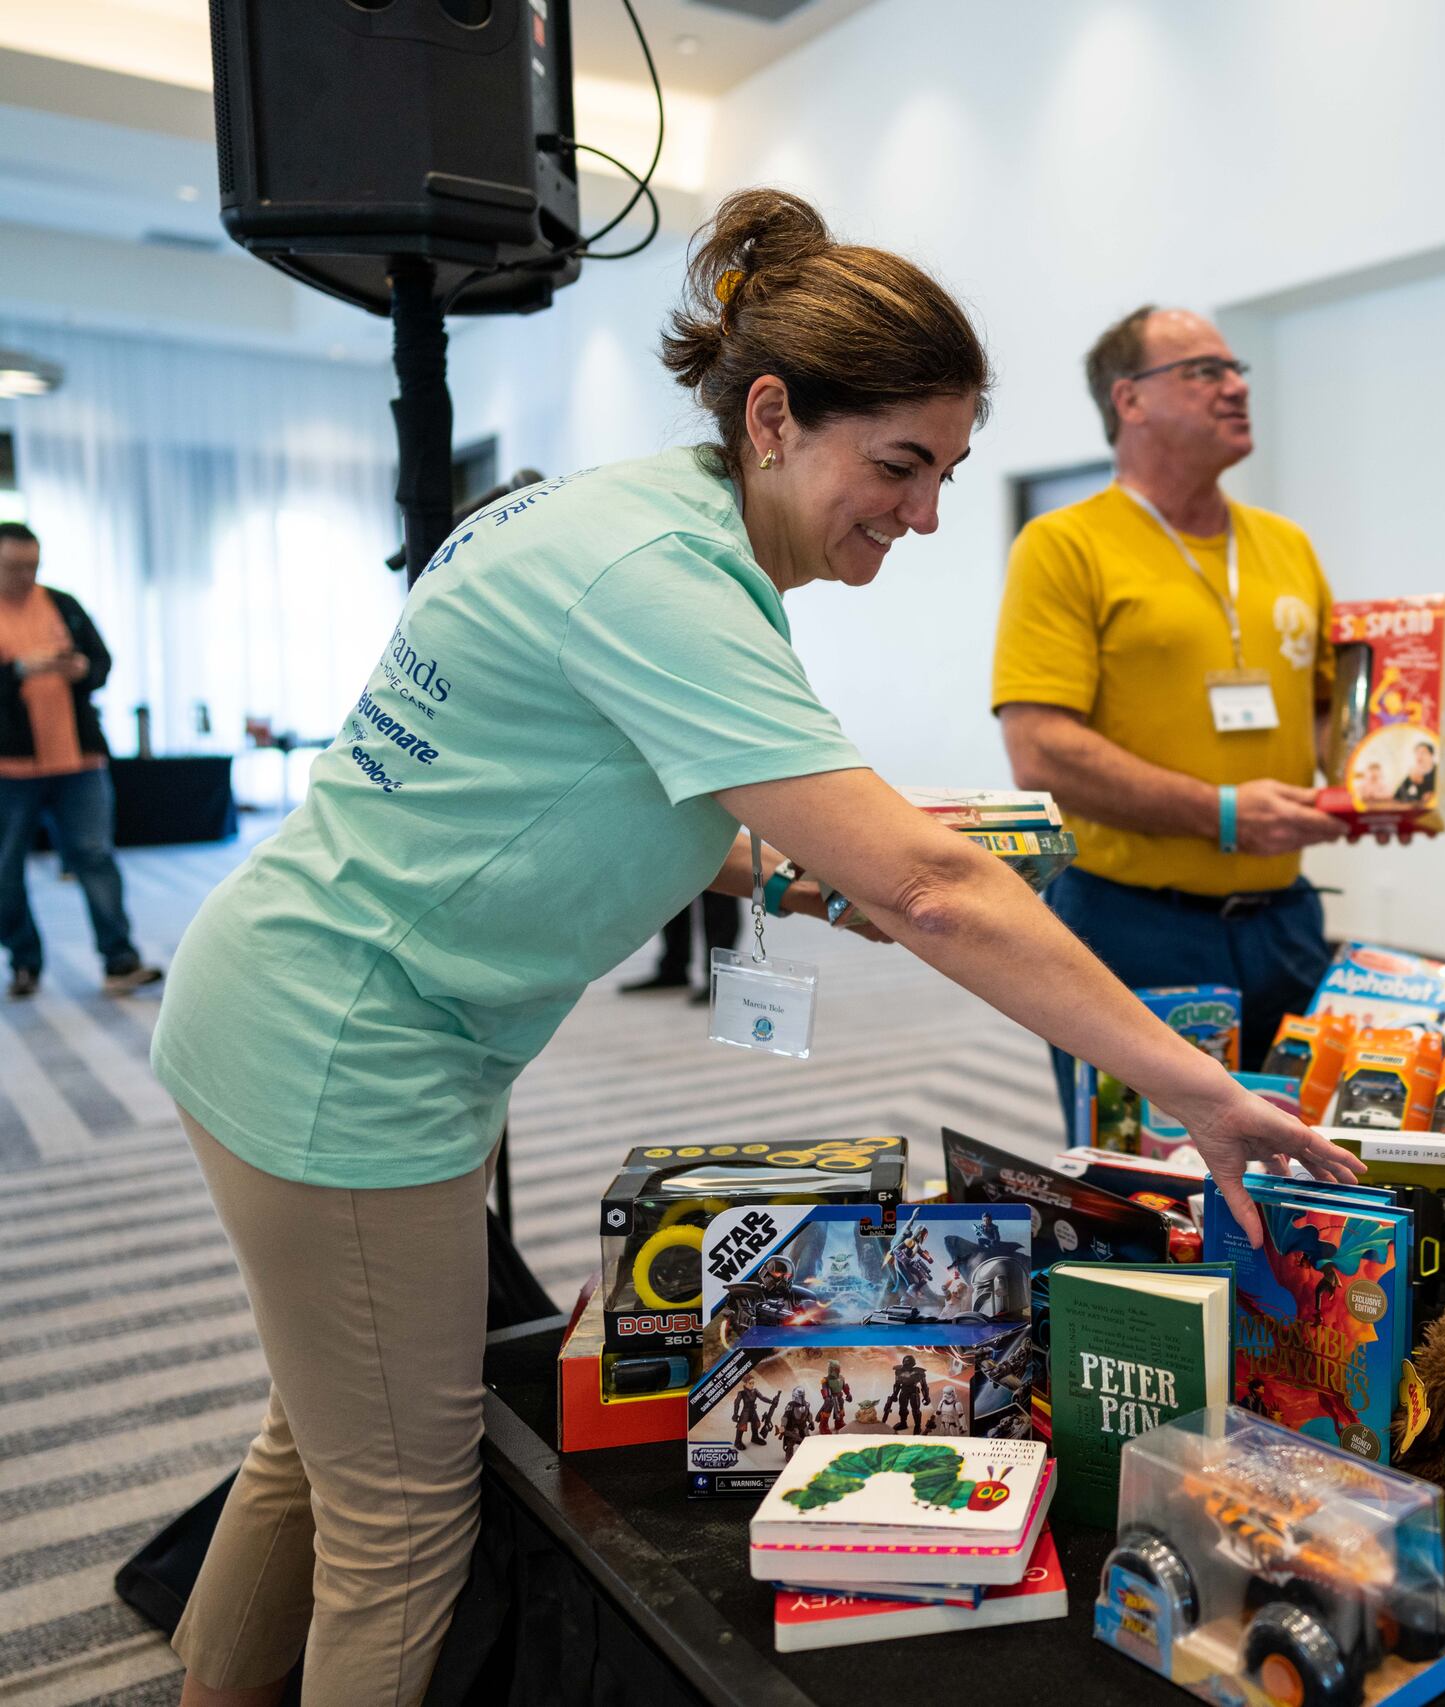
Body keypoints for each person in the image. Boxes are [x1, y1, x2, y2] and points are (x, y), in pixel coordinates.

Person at [150, 190, 1356, 1707]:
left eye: (946, 473)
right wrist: (1195, 1087)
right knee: (400, 1516)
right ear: (773, 417)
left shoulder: (633, 520)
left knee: (318, 1444)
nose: (924, 515)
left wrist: (798, 871)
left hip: (319, 1004)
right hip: (344, 1050)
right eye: (899, 466)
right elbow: (935, 889)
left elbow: (592, 787)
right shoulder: (661, 576)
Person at [993, 306, 1348, 1130]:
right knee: (1146, 1177)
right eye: (1204, 371)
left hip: (1286, 920)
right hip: (1129, 925)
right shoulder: (1063, 545)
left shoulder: (1287, 545)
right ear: (1131, 399)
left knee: (1299, 1161)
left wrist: (1380, 786)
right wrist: (1219, 813)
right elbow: (1040, 750)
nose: (1236, 386)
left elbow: (1329, 711)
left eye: (1237, 370)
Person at [0, 521, 161, 998]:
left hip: (79, 759)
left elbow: (101, 662)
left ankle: (120, 960)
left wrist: (82, 669)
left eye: (32, 566)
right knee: (6, 869)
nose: (25, 576)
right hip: (10, 769)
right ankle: (24, 961)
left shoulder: (63, 604)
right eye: (14, 567)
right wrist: (18, 669)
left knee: (95, 856)